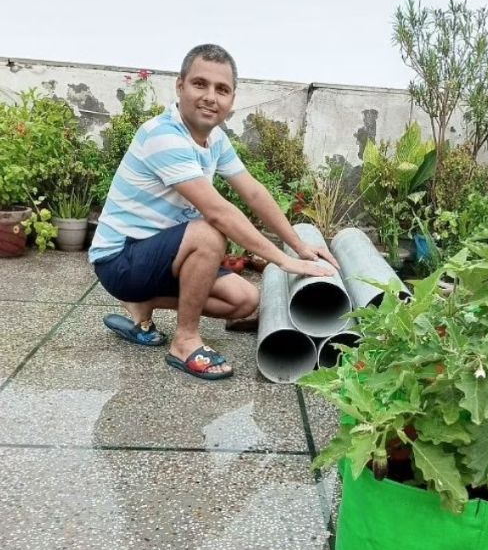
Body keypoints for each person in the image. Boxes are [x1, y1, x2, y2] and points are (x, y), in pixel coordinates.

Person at [89, 44, 338, 380]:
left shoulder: (215, 139)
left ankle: (141, 305)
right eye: (200, 84)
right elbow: (218, 212)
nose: (210, 97)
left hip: (162, 257)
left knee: (244, 300)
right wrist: (284, 260)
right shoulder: (163, 136)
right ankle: (185, 341)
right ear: (180, 87)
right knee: (209, 231)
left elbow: (252, 191)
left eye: (222, 90)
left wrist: (300, 247)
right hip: (120, 259)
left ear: (232, 100)